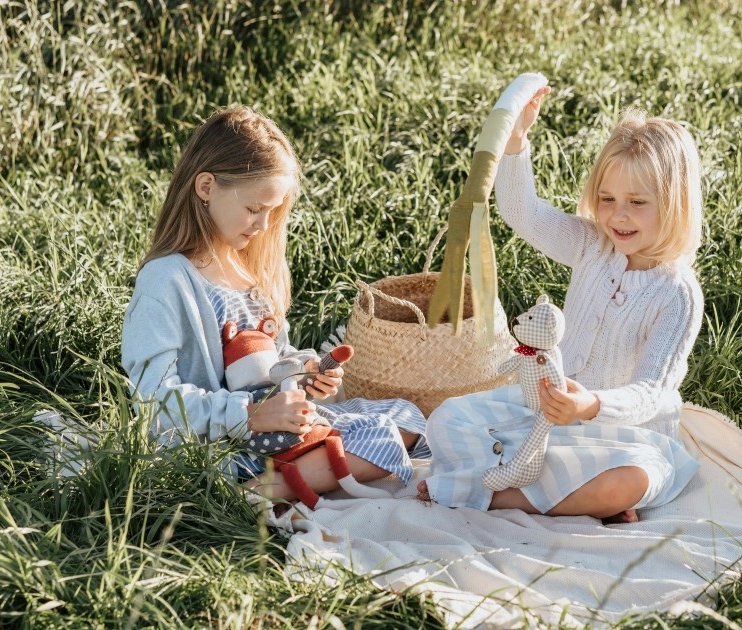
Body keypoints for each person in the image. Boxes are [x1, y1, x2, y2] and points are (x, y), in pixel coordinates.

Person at [418, 87, 703, 522]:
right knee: (447, 418)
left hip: (624, 436)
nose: (618, 216)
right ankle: (561, 494)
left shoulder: (676, 294)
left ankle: (497, 497)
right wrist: (516, 143)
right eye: (607, 200)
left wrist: (592, 406)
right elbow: (523, 213)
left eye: (637, 203)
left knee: (630, 481)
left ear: (676, 204)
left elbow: (652, 392)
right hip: (547, 413)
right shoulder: (592, 245)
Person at [121, 105, 428, 505]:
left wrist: (305, 373)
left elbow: (274, 360)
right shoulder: (167, 279)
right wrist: (249, 416)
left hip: (273, 430)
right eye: (254, 209)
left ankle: (297, 471)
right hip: (220, 444)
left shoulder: (247, 270)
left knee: (408, 416)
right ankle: (251, 495)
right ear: (205, 187)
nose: (264, 225)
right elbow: (152, 399)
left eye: (273, 211)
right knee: (382, 438)